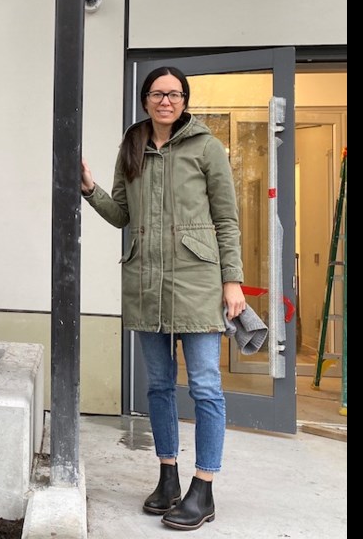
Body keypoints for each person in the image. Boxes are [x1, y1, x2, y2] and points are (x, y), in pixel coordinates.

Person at [80, 66, 246, 531]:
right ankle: (168, 477)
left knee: (206, 387)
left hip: (197, 283)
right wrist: (90, 189)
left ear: (185, 100)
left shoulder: (207, 147)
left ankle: (204, 486)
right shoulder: (132, 146)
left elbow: (227, 220)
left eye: (174, 94)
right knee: (157, 386)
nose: (166, 101)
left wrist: (231, 281)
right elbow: (121, 215)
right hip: (146, 284)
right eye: (157, 93)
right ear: (145, 99)